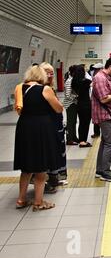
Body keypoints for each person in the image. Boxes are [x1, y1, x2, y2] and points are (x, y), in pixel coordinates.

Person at [14, 65, 63, 211]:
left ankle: (21, 200)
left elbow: (19, 108)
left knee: (26, 167)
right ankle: (38, 202)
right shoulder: (45, 89)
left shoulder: (19, 87)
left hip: (23, 126)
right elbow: (58, 108)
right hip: (40, 128)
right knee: (40, 167)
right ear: (41, 76)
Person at [41, 62, 68, 191]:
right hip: (49, 126)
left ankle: (55, 179)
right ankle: (49, 181)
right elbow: (58, 108)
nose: (50, 75)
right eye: (47, 72)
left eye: (52, 72)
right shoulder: (44, 89)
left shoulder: (50, 87)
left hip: (56, 124)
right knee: (51, 153)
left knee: (57, 151)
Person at [72, 65, 92, 148]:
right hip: (86, 104)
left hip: (79, 104)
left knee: (81, 123)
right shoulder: (86, 81)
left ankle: (81, 140)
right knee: (86, 123)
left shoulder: (74, 82)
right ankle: (83, 141)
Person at [64, 65, 79, 145]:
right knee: (70, 122)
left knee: (74, 121)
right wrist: (77, 96)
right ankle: (69, 139)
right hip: (70, 104)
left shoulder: (72, 80)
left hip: (73, 103)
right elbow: (67, 95)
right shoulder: (69, 81)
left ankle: (74, 137)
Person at [91, 63, 104, 138]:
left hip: (100, 100)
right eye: (95, 69)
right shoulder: (95, 76)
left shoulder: (100, 77)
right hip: (96, 100)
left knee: (101, 118)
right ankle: (96, 132)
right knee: (96, 118)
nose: (95, 70)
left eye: (96, 69)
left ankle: (101, 132)